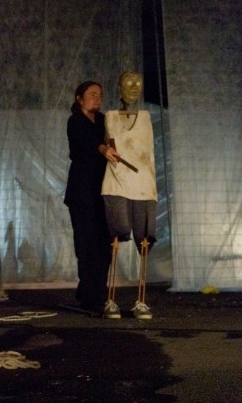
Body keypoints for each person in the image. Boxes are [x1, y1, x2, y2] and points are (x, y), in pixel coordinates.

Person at [101, 70, 158, 320]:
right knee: (116, 236)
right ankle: (110, 299)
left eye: (138, 83)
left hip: (143, 184)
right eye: (128, 82)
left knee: (143, 239)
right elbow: (108, 143)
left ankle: (141, 300)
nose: (134, 87)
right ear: (119, 85)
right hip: (116, 183)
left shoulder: (145, 118)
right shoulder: (111, 117)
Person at [64, 81, 118, 315]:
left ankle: (99, 291)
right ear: (80, 98)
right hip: (82, 191)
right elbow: (85, 141)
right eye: (92, 94)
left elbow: (115, 137)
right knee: (86, 243)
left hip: (102, 190)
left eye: (100, 95)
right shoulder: (75, 121)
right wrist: (102, 149)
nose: (97, 98)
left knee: (104, 244)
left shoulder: (104, 120)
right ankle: (88, 293)